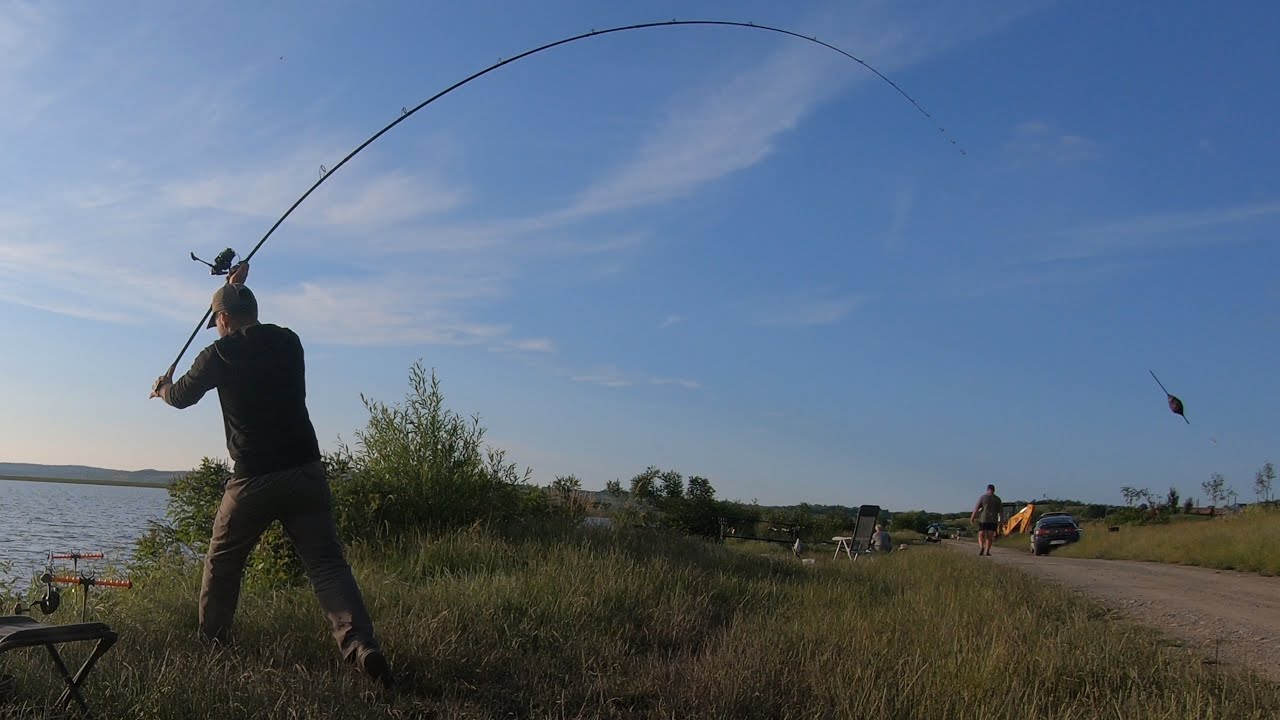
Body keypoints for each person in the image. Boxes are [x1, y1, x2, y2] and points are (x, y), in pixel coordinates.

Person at [150, 265, 393, 690]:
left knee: (223, 564)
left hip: (253, 480)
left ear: (221, 321)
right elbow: (245, 325)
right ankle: (361, 646)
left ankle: (214, 647)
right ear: (254, 310)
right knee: (327, 564)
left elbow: (183, 397)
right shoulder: (289, 342)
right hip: (306, 471)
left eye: (217, 321)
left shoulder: (217, 356)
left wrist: (163, 389)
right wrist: (232, 290)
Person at [970, 484, 1003, 556]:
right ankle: (987, 551)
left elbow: (976, 509)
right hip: (993, 520)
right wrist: (1001, 522)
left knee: (981, 534)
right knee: (989, 536)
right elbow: (1001, 512)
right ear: (994, 490)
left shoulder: (983, 497)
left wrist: (972, 518)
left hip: (983, 518)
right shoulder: (998, 499)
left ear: (987, 489)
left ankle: (982, 547)